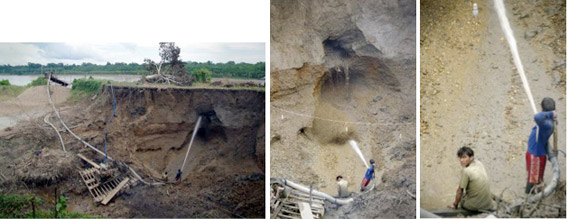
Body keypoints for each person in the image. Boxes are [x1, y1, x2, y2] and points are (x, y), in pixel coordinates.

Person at [448, 146, 495, 211]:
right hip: (488, 205)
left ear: (471, 157)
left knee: (461, 197)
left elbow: (460, 191)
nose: (461, 160)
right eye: (460, 157)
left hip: (475, 206)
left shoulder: (466, 171)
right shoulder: (479, 163)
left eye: (464, 157)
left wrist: (455, 204)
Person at [525, 97, 556, 194]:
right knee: (534, 176)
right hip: (534, 152)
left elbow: (537, 117)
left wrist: (551, 114)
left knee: (534, 179)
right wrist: (552, 113)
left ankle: (532, 197)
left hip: (536, 155)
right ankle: (531, 192)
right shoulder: (547, 121)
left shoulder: (546, 123)